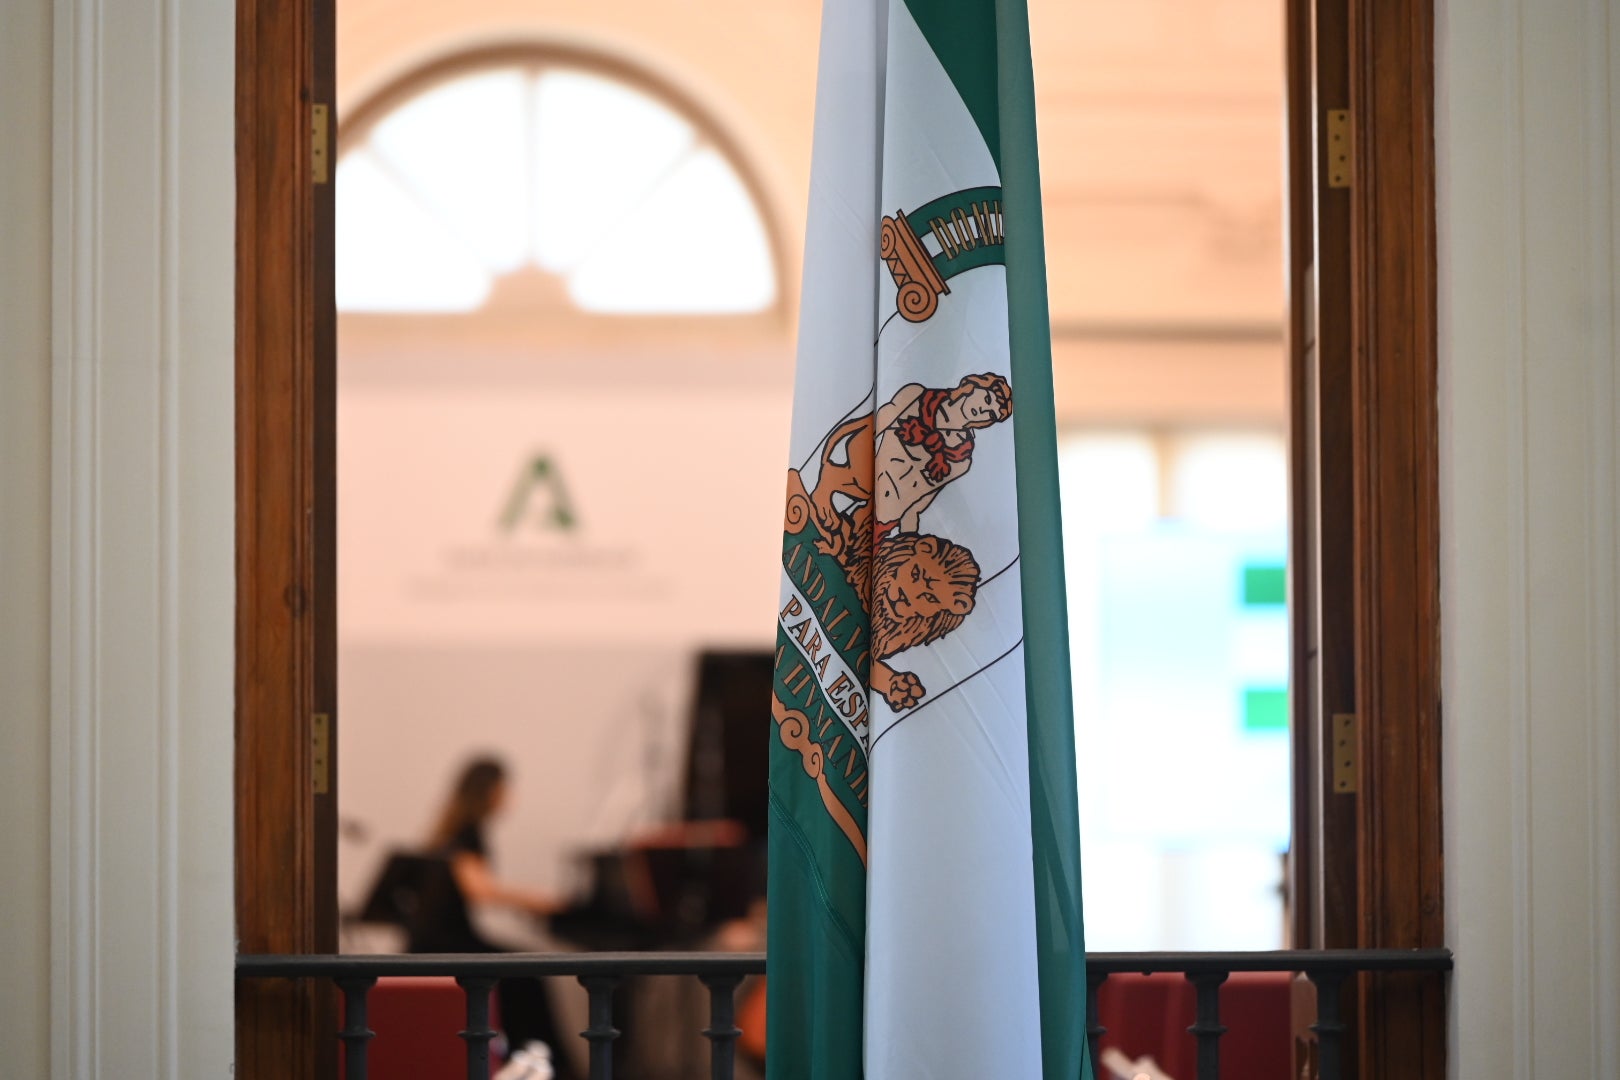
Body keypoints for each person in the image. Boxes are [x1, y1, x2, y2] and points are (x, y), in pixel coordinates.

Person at [413, 756, 577, 1079]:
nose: (509, 796)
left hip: (445, 938)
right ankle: (543, 1067)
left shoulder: (456, 831)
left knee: (525, 973)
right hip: (446, 944)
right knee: (527, 975)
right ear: (489, 792)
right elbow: (480, 890)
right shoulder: (466, 834)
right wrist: (538, 899)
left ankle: (529, 1063)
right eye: (505, 788)